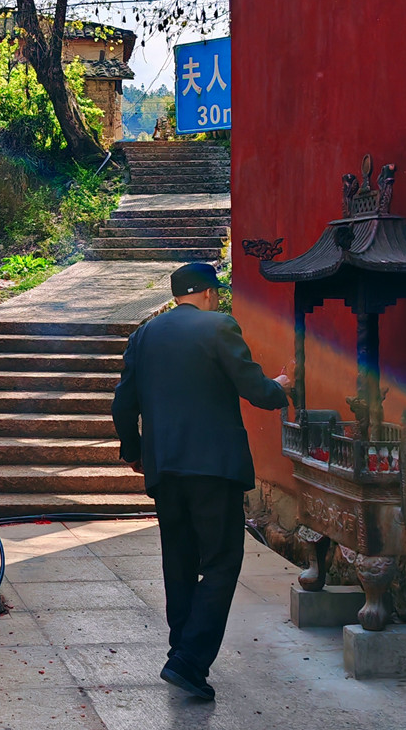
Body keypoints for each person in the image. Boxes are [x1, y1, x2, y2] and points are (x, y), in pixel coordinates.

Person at [111, 262, 291, 701]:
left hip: (165, 469)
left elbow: (123, 404)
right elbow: (255, 389)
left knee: (179, 560)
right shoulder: (219, 327)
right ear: (211, 293)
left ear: (176, 297)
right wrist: (281, 386)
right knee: (222, 562)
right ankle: (189, 661)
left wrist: (135, 453)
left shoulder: (144, 335)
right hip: (213, 469)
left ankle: (181, 652)